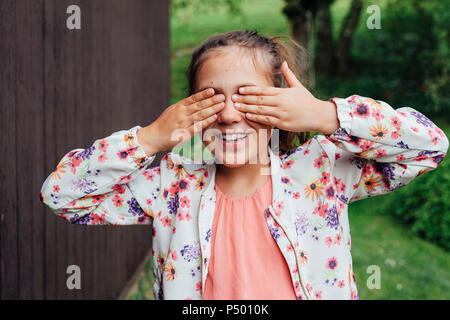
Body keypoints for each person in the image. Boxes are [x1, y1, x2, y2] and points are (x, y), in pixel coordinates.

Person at [40, 29, 449, 300]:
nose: (231, 115)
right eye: (213, 98)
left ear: (281, 106)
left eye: (250, 98)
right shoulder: (171, 186)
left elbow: (428, 146)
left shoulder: (322, 170)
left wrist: (327, 116)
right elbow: (62, 195)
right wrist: (151, 137)